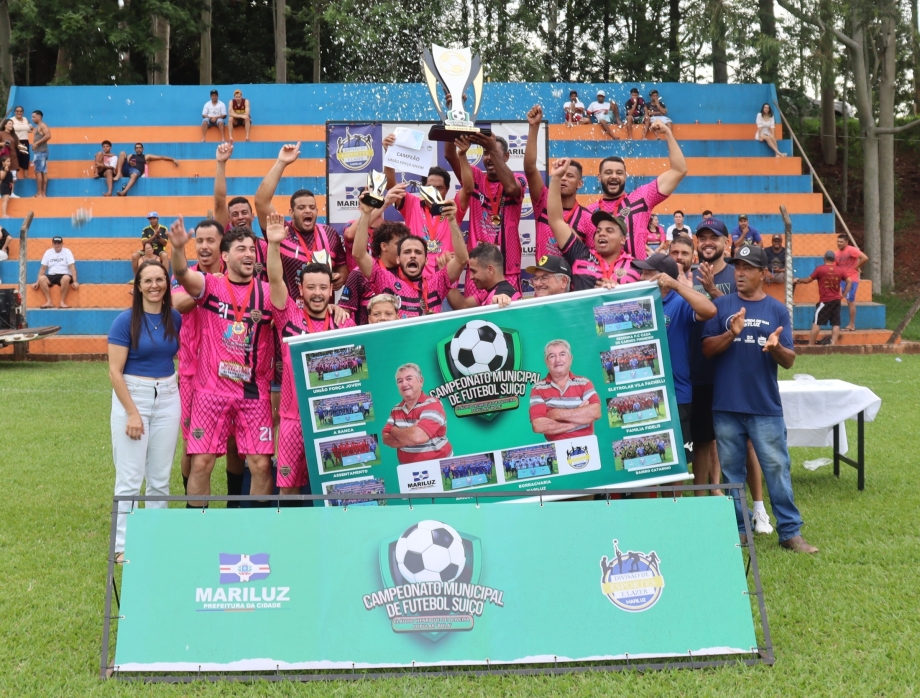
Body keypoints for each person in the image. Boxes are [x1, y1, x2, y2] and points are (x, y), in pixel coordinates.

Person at [702, 244, 817, 553]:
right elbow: (707, 350)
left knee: (777, 467)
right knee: (730, 472)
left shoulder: (777, 310)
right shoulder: (722, 305)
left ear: (764, 274)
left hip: (764, 406)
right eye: (737, 266)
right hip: (726, 405)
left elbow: (790, 359)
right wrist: (731, 334)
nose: (740, 272)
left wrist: (776, 346)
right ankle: (739, 529)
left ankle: (790, 533)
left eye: (748, 267)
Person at [168, 220, 277, 507]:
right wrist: (178, 248)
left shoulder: (267, 293)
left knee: (261, 465)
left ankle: (255, 534)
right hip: (210, 391)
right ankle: (198, 532)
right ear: (225, 256)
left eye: (252, 249)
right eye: (241, 249)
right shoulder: (211, 285)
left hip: (254, 393)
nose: (249, 254)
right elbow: (182, 275)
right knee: (201, 463)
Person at [266, 212, 355, 495]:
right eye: (311, 287)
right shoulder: (288, 315)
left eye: (323, 288)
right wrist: (273, 245)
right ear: (301, 291)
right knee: (288, 491)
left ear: (332, 290)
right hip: (293, 421)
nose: (317, 293)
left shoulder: (344, 322)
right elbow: (276, 279)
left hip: (334, 418)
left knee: (334, 490)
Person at [107, 260, 181, 562]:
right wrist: (133, 413)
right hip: (133, 394)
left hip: (168, 394)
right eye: (147, 281)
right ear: (138, 286)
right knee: (130, 476)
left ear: (167, 284)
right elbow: (114, 371)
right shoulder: (124, 321)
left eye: (159, 280)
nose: (154, 286)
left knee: (160, 477)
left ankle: (155, 537)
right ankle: (121, 546)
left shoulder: (173, 318)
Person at [632, 253, 716, 466]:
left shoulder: (678, 302)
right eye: (641, 272)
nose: (642, 277)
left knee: (675, 459)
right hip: (642, 392)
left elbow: (710, 310)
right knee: (648, 458)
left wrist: (676, 285)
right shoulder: (638, 302)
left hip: (675, 394)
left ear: (663, 278)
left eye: (648, 273)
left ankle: (673, 500)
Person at [169, 219, 226, 498]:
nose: (204, 246)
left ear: (221, 244)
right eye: (199, 241)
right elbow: (176, 303)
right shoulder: (186, 276)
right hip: (193, 375)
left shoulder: (235, 274)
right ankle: (191, 510)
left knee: (239, 449)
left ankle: (235, 511)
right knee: (194, 449)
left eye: (210, 241)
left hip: (232, 375)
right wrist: (208, 289)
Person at [579, 120, 687, 259]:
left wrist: (667, 133)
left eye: (619, 173)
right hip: (601, 279)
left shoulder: (642, 198)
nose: (614, 176)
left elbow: (679, 170)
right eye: (608, 172)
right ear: (599, 177)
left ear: (625, 176)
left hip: (636, 277)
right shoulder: (588, 213)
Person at [254, 142, 348, 293]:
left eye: (312, 207)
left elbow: (342, 267)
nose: (307, 211)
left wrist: (341, 277)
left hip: (322, 310)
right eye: (301, 208)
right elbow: (261, 201)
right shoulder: (281, 231)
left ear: (317, 211)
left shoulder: (330, 234)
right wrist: (281, 163)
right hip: (289, 310)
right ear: (291, 212)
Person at [352, 197, 468, 317]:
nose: (412, 255)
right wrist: (366, 214)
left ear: (426, 260)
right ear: (398, 259)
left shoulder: (437, 282)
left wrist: (452, 220)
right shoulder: (386, 280)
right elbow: (359, 254)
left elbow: (462, 259)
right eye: (407, 252)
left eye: (418, 252)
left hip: (429, 336)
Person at [446, 131, 527, 295]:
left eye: (494, 152)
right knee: (475, 315)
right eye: (485, 152)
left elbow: (511, 188)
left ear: (506, 156)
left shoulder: (517, 179)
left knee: (507, 317)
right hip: (477, 268)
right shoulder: (476, 177)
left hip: (506, 269)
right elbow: (449, 154)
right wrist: (454, 117)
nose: (489, 157)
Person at [547, 158, 640, 290]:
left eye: (609, 230)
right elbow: (556, 220)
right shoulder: (581, 254)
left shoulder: (637, 266)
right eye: (598, 231)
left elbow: (648, 301)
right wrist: (556, 178)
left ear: (623, 239)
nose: (601, 233)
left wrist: (620, 291)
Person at [525, 105, 590, 259]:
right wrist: (534, 127)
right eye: (561, 175)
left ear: (580, 184)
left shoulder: (587, 218)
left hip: (574, 282)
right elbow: (529, 168)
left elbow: (593, 256)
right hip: (544, 280)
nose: (564, 179)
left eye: (570, 176)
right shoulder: (543, 202)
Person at [529, 339, 601, 442]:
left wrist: (555, 414)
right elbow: (539, 425)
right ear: (546, 362)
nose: (558, 360)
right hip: (555, 448)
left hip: (586, 445)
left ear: (570, 359)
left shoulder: (584, 383)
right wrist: (579, 420)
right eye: (552, 356)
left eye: (562, 354)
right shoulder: (538, 389)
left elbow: (595, 412)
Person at [340, 221, 408, 325]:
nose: (404, 249)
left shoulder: (410, 274)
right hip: (366, 338)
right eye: (399, 244)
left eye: (406, 245)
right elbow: (344, 313)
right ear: (384, 246)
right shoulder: (359, 274)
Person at [383, 363, 452, 464]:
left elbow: (417, 437)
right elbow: (385, 438)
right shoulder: (395, 409)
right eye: (400, 381)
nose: (404, 384)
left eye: (409, 378)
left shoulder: (433, 404)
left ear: (421, 381)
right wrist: (409, 436)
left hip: (439, 465)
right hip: (408, 469)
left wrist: (394, 431)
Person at [794, 250, 846, 346]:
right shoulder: (840, 270)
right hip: (836, 300)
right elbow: (849, 281)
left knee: (817, 322)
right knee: (836, 323)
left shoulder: (820, 269)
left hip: (825, 301)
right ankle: (833, 344)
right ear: (834, 259)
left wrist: (798, 280)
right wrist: (844, 294)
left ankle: (811, 345)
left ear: (824, 258)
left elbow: (808, 280)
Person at [448, 243, 522, 309]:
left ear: (490, 270)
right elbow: (463, 305)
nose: (471, 277)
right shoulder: (491, 291)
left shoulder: (500, 298)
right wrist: (446, 275)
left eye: (474, 271)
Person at [835, 234, 868, 332]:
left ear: (846, 242)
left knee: (850, 301)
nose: (839, 243)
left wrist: (857, 267)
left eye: (841, 242)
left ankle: (852, 325)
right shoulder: (836, 254)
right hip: (841, 280)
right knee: (836, 299)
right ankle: (836, 324)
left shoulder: (851, 250)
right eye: (838, 241)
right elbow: (836, 267)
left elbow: (865, 258)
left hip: (852, 279)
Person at [33, 236, 78, 308]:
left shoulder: (67, 252)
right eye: (55, 243)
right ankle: (49, 302)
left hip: (64, 274)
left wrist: (75, 281)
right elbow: (43, 269)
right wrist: (37, 282)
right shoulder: (48, 252)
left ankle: (62, 302)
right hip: (52, 275)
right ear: (52, 244)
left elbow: (72, 267)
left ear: (62, 244)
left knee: (66, 278)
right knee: (42, 279)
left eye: (59, 243)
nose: (57, 245)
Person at [31, 110, 51, 197]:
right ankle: (43, 193)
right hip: (41, 152)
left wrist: (36, 143)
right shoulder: (38, 126)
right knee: (43, 172)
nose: (32, 119)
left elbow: (48, 135)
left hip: (40, 152)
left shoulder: (42, 125)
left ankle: (40, 193)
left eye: (34, 117)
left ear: (39, 117)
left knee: (38, 172)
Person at [11, 106, 33, 177]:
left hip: (25, 141)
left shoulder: (25, 119)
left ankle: (25, 175)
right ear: (15, 112)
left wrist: (30, 127)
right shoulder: (11, 120)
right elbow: (10, 129)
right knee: (16, 157)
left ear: (23, 112)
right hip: (15, 141)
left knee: (25, 157)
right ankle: (16, 175)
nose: (19, 112)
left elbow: (30, 129)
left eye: (20, 111)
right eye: (17, 111)